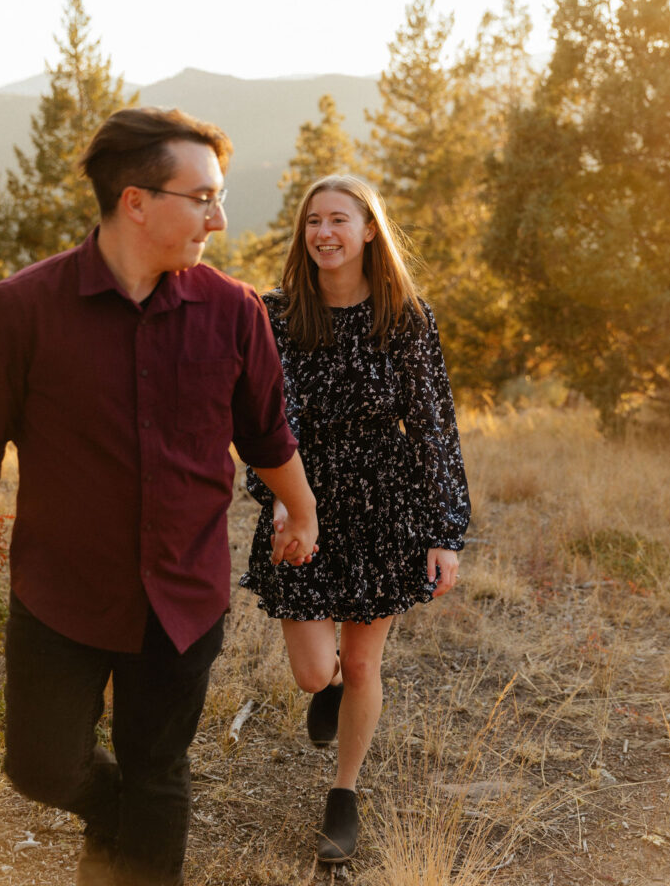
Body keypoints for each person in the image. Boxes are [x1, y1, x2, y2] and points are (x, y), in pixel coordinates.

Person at [0, 107, 318, 886]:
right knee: (40, 768)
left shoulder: (234, 311)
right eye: (200, 197)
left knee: (159, 770)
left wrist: (301, 510)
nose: (219, 216)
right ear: (135, 201)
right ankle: (115, 816)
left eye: (219, 195)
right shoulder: (19, 309)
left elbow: (267, 436)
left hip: (182, 594)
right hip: (61, 595)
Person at [241, 173, 470, 862]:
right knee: (315, 672)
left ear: (369, 230)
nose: (323, 234)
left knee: (365, 662)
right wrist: (278, 496)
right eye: (313, 221)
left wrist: (442, 532)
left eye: (339, 219)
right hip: (301, 494)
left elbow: (433, 425)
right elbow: (259, 420)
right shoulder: (275, 315)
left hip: (385, 502)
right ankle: (329, 686)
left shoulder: (404, 316)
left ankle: (343, 794)